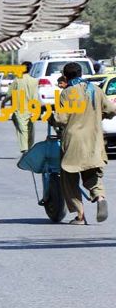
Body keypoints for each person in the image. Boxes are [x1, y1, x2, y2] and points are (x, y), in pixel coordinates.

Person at [52, 61, 116, 225]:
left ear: (65, 77)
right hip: (94, 140)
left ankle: (80, 215)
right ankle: (100, 197)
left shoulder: (66, 94)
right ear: (81, 74)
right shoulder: (95, 89)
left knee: (69, 177)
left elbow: (61, 118)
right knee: (92, 173)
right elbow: (111, 110)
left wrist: (52, 118)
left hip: (73, 141)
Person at [6, 69, 39, 153]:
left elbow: (9, 94)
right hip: (31, 108)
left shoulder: (17, 80)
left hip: (19, 109)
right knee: (30, 129)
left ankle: (25, 148)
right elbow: (36, 95)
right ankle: (29, 147)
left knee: (22, 129)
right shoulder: (34, 81)